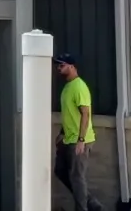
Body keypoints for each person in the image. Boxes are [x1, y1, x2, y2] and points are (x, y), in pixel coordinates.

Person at [54, 53, 107, 211]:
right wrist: (62, 132)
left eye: (62, 65)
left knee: (77, 178)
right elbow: (70, 114)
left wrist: (81, 140)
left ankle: (82, 208)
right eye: (58, 65)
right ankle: (92, 204)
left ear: (72, 66)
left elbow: (85, 113)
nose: (58, 68)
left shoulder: (79, 87)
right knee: (60, 171)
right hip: (68, 139)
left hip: (79, 141)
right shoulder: (67, 87)